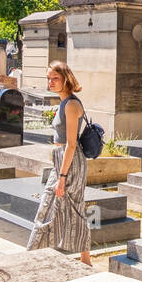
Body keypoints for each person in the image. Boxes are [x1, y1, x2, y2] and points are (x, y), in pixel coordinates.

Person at [26, 61, 92, 265]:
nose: (51, 82)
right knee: (67, 208)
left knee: (56, 206)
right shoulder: (64, 103)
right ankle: (84, 258)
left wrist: (62, 177)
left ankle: (30, 255)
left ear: (66, 78)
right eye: (48, 78)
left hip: (69, 162)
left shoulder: (71, 104)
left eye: (55, 78)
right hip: (62, 161)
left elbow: (71, 144)